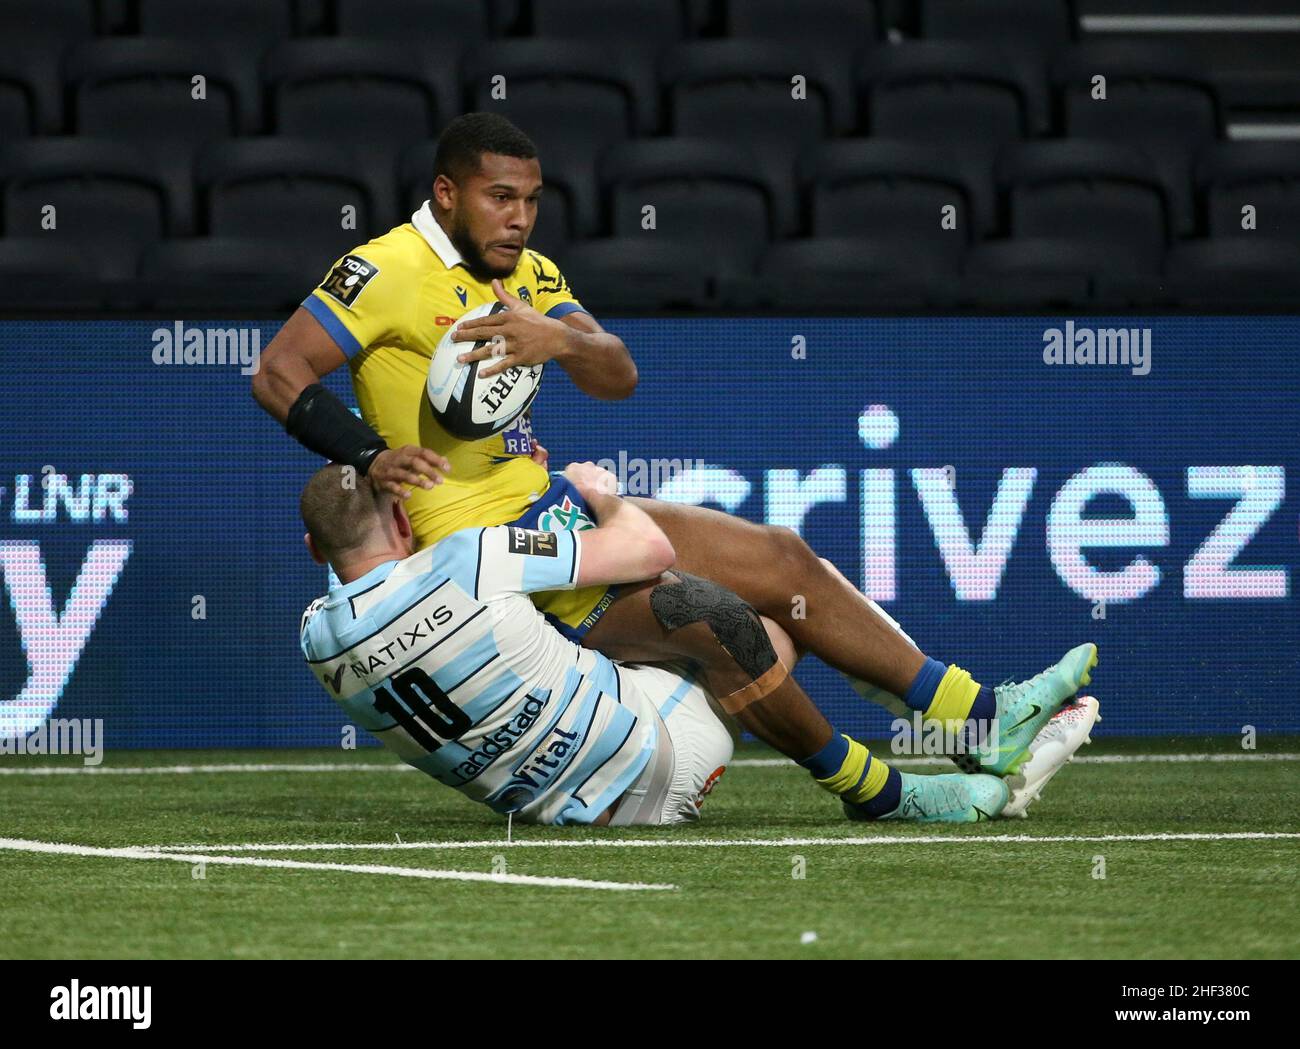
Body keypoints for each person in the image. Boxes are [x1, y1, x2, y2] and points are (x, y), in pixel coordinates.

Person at [261, 111, 1097, 791]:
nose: (518, 218)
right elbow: (277, 370)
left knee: (783, 566)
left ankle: (978, 723)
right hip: (487, 562)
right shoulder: (384, 270)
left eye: (531, 201)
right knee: (732, 620)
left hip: (552, 510)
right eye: (498, 198)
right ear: (447, 194)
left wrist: (554, 337)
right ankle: (895, 787)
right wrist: (370, 455)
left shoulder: (533, 276)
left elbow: (618, 372)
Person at [299, 460, 1092, 825]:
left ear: (314, 553)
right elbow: (643, 552)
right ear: (406, 520)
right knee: (757, 621)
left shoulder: (317, 639)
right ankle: (892, 793)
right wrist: (599, 498)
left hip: (557, 811)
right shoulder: (466, 558)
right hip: (670, 758)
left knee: (751, 597)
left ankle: (978, 721)